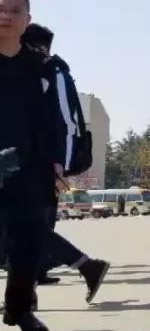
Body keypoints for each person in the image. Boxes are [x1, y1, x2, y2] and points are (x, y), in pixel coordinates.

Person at [20, 23, 110, 300]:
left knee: (24, 227)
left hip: (35, 161)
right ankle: (29, 293)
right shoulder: (33, 68)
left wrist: (60, 165)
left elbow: (63, 122)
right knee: (25, 228)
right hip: (28, 159)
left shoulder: (48, 70)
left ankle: (27, 294)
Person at [0, 0, 63, 331]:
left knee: (27, 242)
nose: (5, 16)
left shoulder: (40, 67)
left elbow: (55, 118)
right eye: (0, 10)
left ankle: (20, 309)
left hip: (30, 167)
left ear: (27, 20)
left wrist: (57, 162)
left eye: (14, 11)